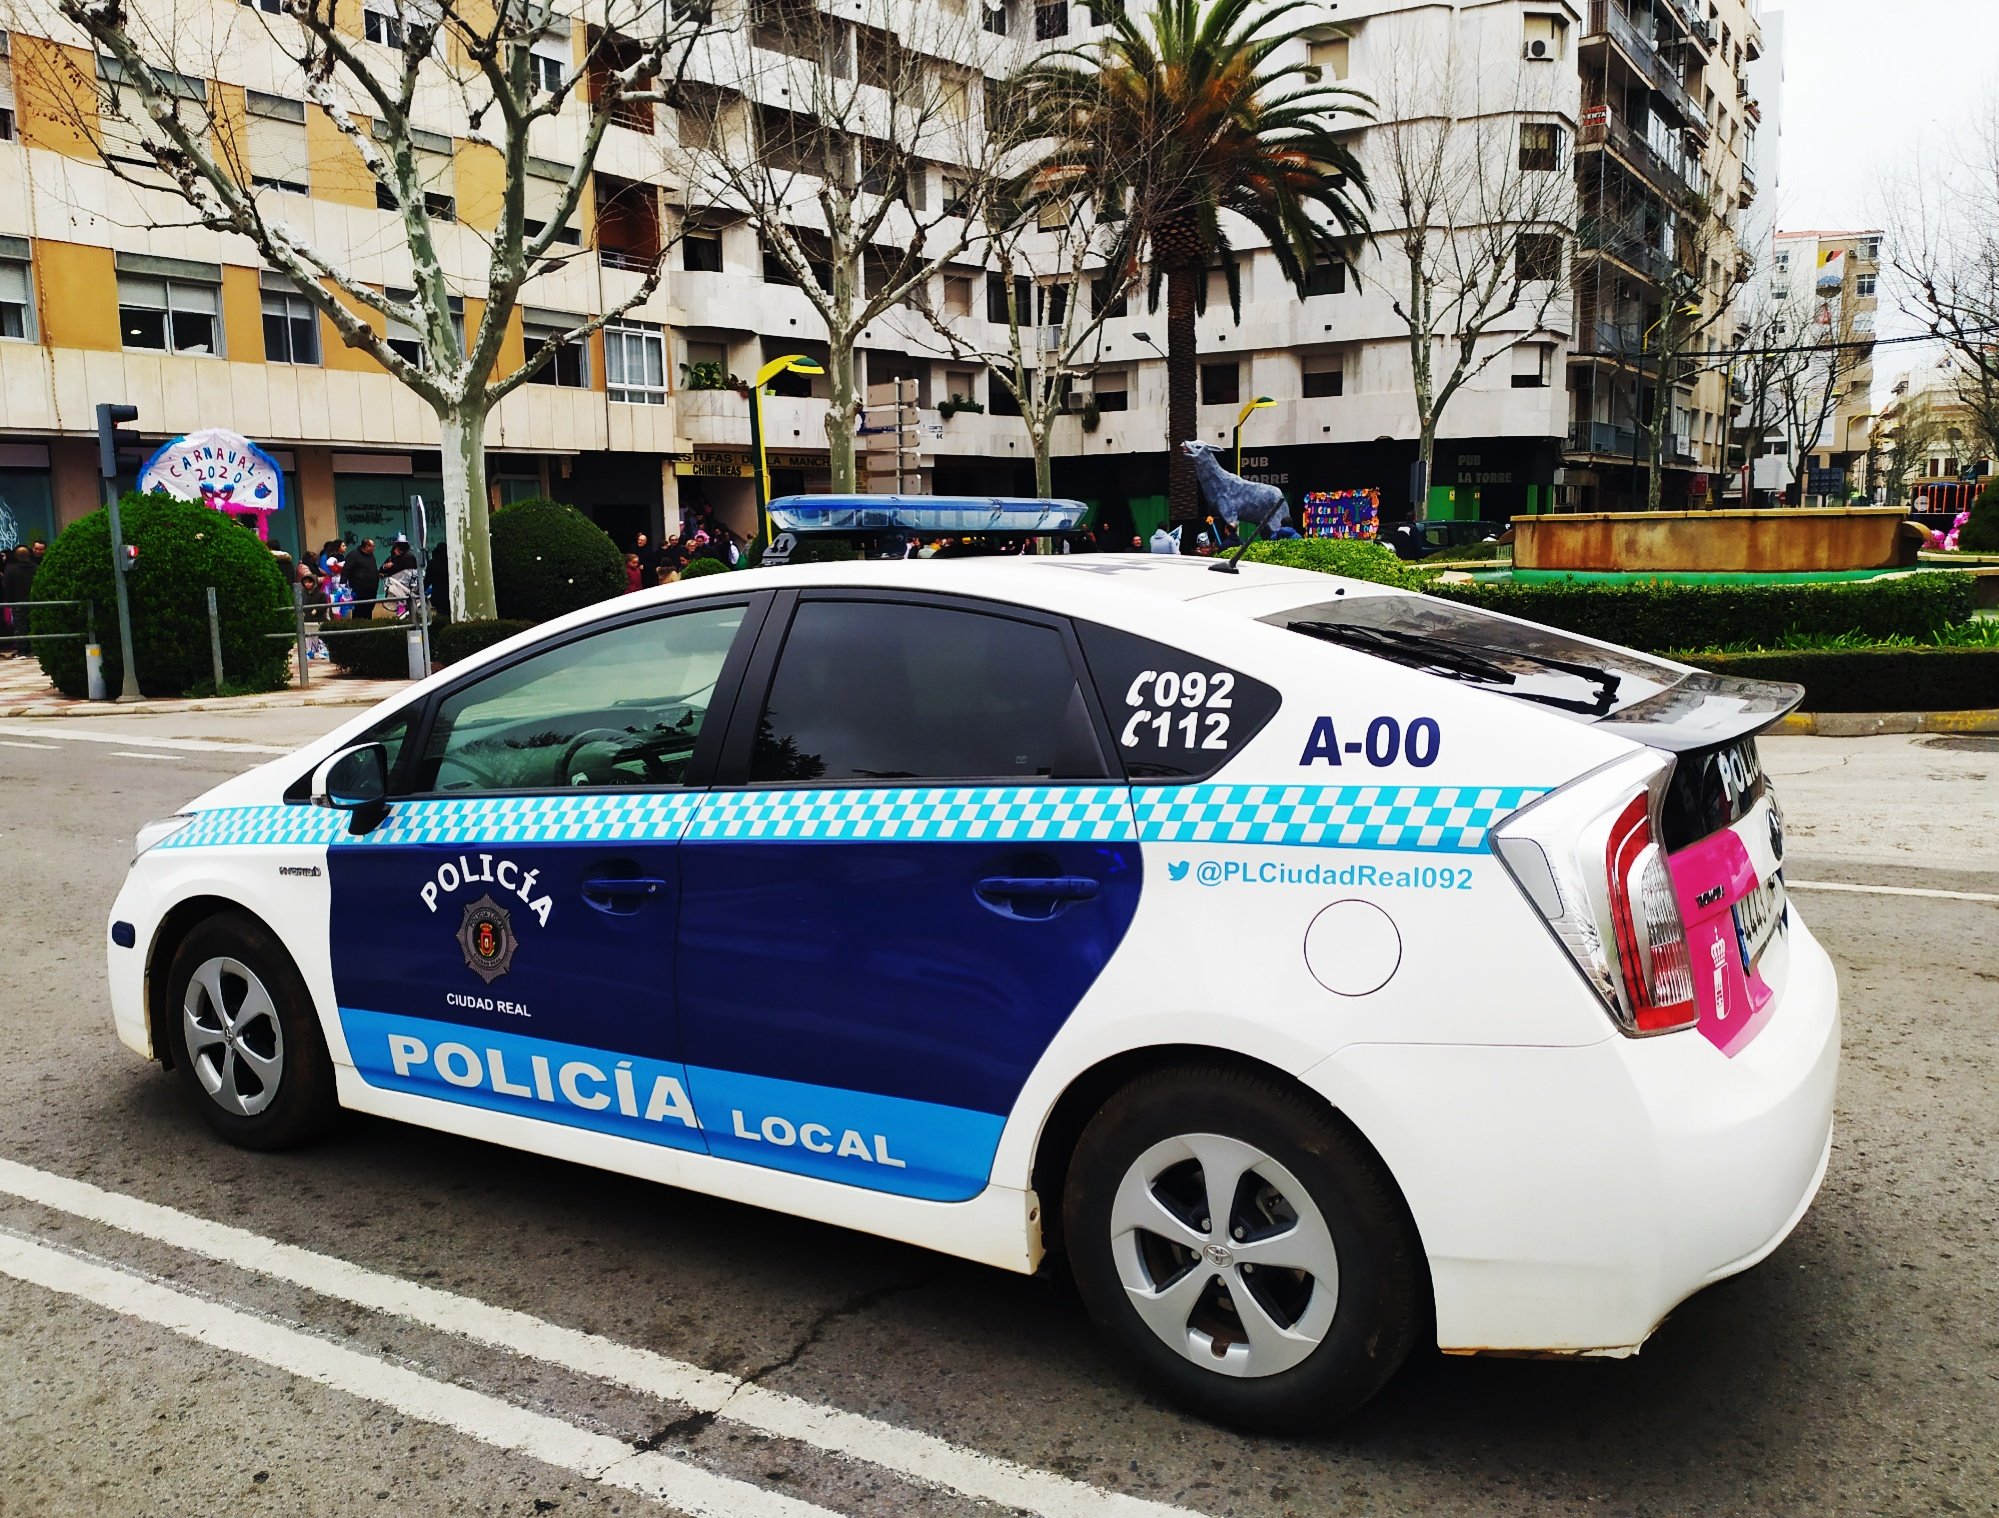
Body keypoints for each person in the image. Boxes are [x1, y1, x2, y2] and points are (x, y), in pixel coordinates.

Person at [2, 545, 36, 656]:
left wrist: (9, 601)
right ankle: (34, 648)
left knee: (20, 626)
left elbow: (7, 586)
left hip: (18, 602)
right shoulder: (37, 568)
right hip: (35, 602)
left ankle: (22, 649)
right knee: (33, 625)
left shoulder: (11, 569)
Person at [346, 537, 380, 617]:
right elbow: (347, 569)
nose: (374, 548)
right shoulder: (353, 555)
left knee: (369, 609)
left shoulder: (371, 556)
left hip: (372, 589)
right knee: (359, 610)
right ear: (366, 546)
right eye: (372, 546)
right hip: (359, 589)